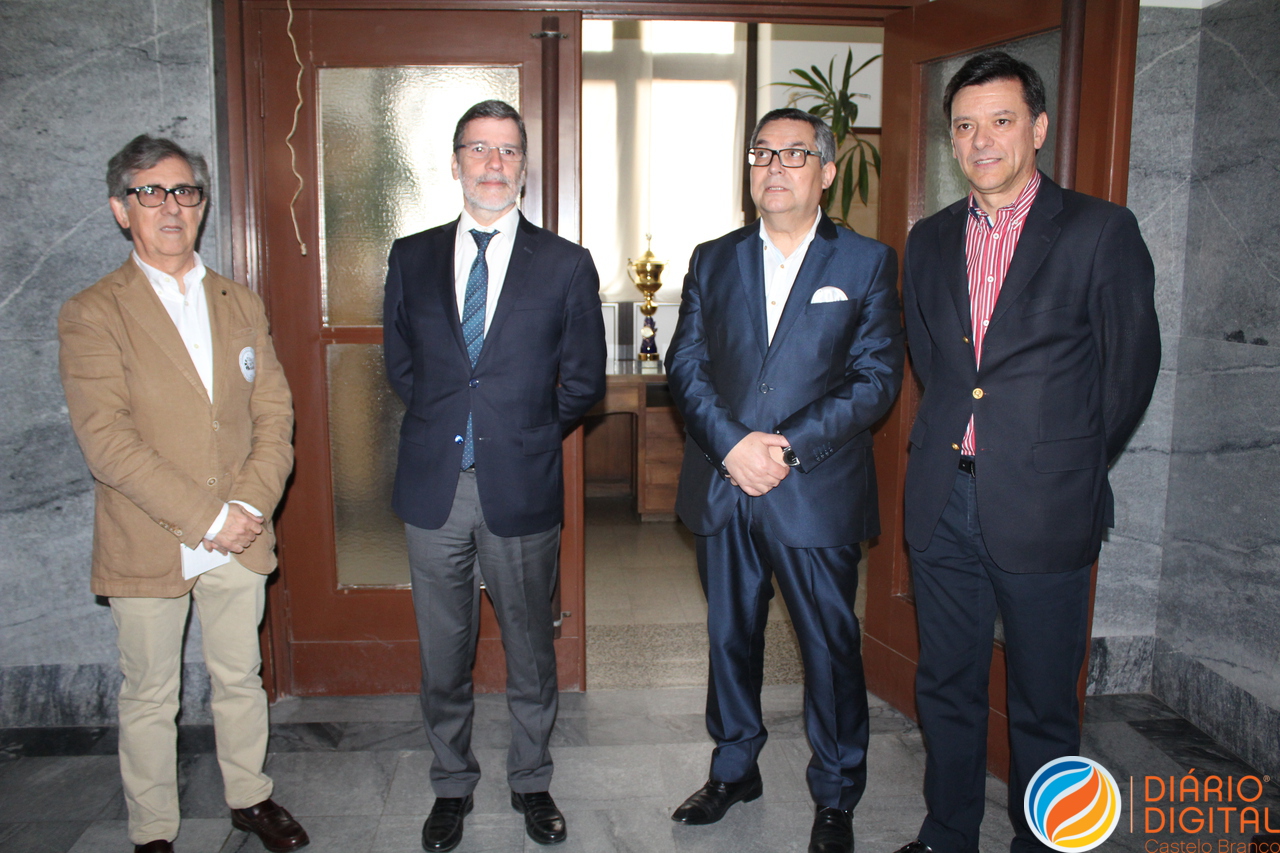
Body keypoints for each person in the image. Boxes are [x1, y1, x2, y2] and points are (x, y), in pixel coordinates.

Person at [891, 52, 1160, 853]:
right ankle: (947, 833)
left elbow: (1129, 370)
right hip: (943, 501)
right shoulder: (929, 239)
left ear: (1038, 128)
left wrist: (1064, 462)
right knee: (946, 687)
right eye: (965, 125)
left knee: (1044, 703)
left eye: (1001, 121)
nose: (982, 141)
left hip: (1047, 507)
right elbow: (936, 363)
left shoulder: (1099, 231)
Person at [665, 107, 904, 853]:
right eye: (762, 152)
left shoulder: (865, 263)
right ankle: (735, 767)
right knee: (729, 636)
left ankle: (835, 793)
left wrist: (786, 448)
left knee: (828, 647)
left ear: (826, 171)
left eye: (794, 154)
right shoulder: (713, 258)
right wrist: (733, 445)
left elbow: (876, 378)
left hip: (815, 491)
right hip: (723, 483)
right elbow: (686, 364)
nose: (774, 166)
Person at [58, 135, 306, 853]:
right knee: (149, 693)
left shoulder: (238, 301)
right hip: (149, 533)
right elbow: (107, 441)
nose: (171, 207)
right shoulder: (93, 311)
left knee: (240, 674)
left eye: (185, 192)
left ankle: (250, 797)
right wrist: (207, 518)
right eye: (151, 193)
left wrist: (247, 509)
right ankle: (153, 831)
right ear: (121, 209)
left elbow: (274, 414)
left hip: (241, 531)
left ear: (201, 205)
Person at [382, 100, 606, 852]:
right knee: (442, 652)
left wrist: (525, 433)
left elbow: (583, 380)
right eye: (478, 148)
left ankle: (531, 779)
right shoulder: (411, 256)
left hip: (521, 485)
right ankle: (451, 784)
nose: (493, 164)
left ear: (524, 167)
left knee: (530, 649)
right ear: (455, 163)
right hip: (434, 489)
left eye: (507, 150)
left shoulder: (566, 263)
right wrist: (452, 424)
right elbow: (403, 366)